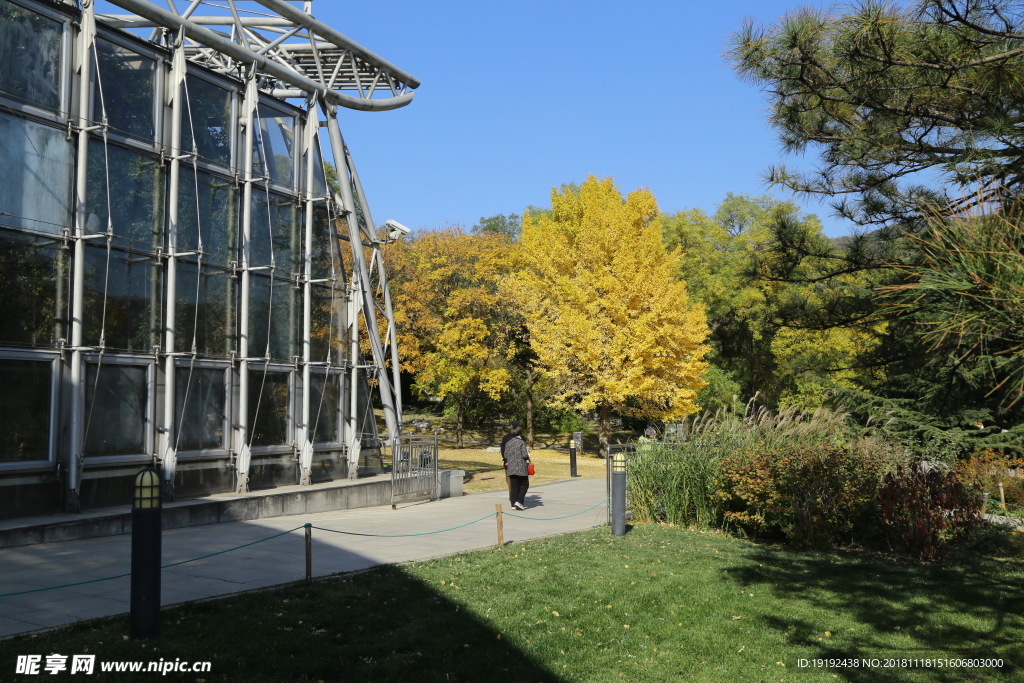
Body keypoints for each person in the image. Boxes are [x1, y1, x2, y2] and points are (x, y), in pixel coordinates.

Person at [503, 423, 532, 510]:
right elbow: (524, 455)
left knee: (514, 486)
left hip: (511, 467)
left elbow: (506, 455)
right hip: (520, 466)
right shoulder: (521, 442)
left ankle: (513, 504)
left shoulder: (508, 443)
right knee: (525, 484)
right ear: (520, 433)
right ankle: (519, 502)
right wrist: (528, 455)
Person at [500, 420, 520, 496]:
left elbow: (503, 450)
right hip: (519, 463)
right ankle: (517, 495)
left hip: (509, 462)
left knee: (510, 480)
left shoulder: (506, 437)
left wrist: (505, 459)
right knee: (519, 480)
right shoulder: (522, 438)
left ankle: (512, 495)